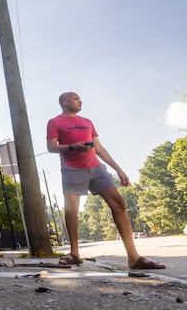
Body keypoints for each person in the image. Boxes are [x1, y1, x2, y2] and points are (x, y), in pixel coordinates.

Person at [46, 92, 165, 269]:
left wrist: (118, 169)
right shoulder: (55, 122)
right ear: (65, 102)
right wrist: (72, 147)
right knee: (72, 210)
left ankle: (134, 257)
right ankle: (75, 253)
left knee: (119, 204)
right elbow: (51, 147)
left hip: (96, 168)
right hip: (72, 170)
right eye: (76, 98)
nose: (80, 101)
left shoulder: (87, 122)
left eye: (80, 98)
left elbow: (99, 148)